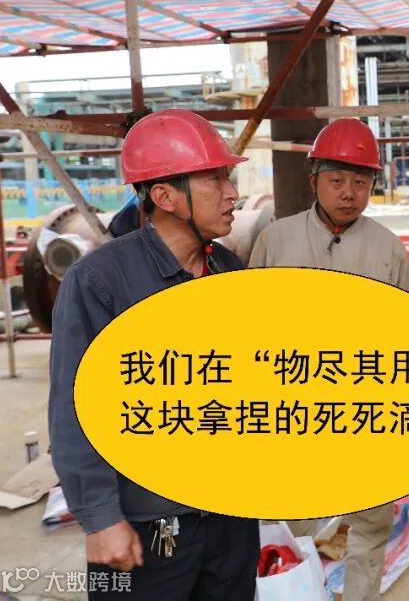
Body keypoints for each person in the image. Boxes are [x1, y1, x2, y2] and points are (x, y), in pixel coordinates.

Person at [49, 108, 258, 599]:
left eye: (227, 177)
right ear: (164, 196)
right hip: (151, 523)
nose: (232, 193)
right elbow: (75, 407)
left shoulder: (229, 270)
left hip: (231, 518)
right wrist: (101, 518)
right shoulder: (100, 281)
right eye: (214, 179)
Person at [248, 117, 409, 601]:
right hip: (292, 405)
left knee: (371, 522)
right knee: (291, 521)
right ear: (313, 180)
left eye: (360, 182)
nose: (348, 193)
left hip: (366, 406)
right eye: (337, 180)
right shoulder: (276, 240)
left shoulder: (387, 248)